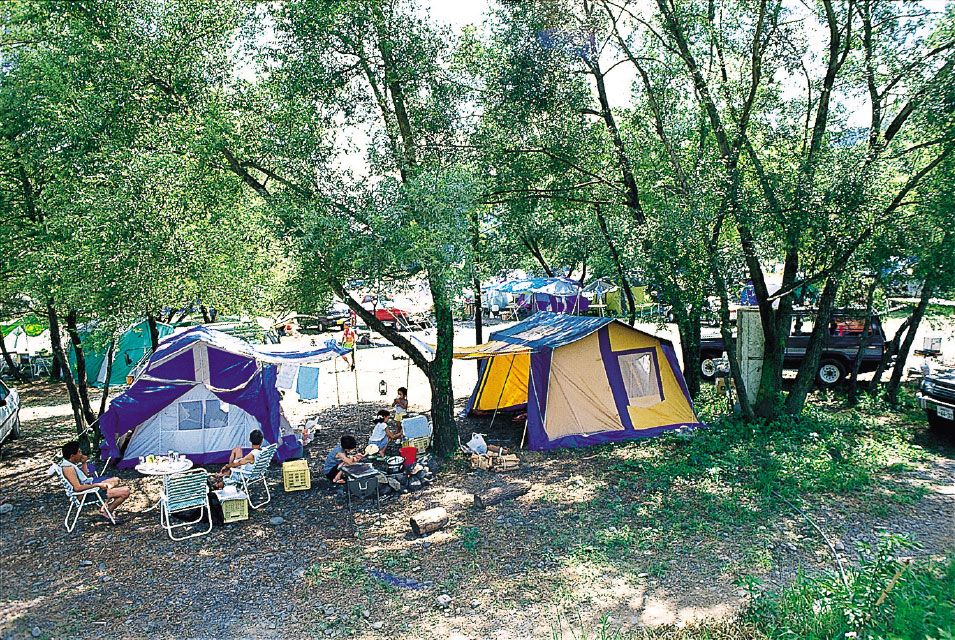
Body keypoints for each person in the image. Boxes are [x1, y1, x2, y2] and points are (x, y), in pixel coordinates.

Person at [60, 441, 130, 523]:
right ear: (72, 456)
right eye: (79, 452)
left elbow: (84, 477)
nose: (81, 453)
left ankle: (104, 505)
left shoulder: (69, 464)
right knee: (126, 492)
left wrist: (84, 463)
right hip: (87, 495)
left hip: (89, 490)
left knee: (115, 480)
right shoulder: (68, 468)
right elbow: (77, 488)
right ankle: (107, 512)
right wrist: (98, 485)